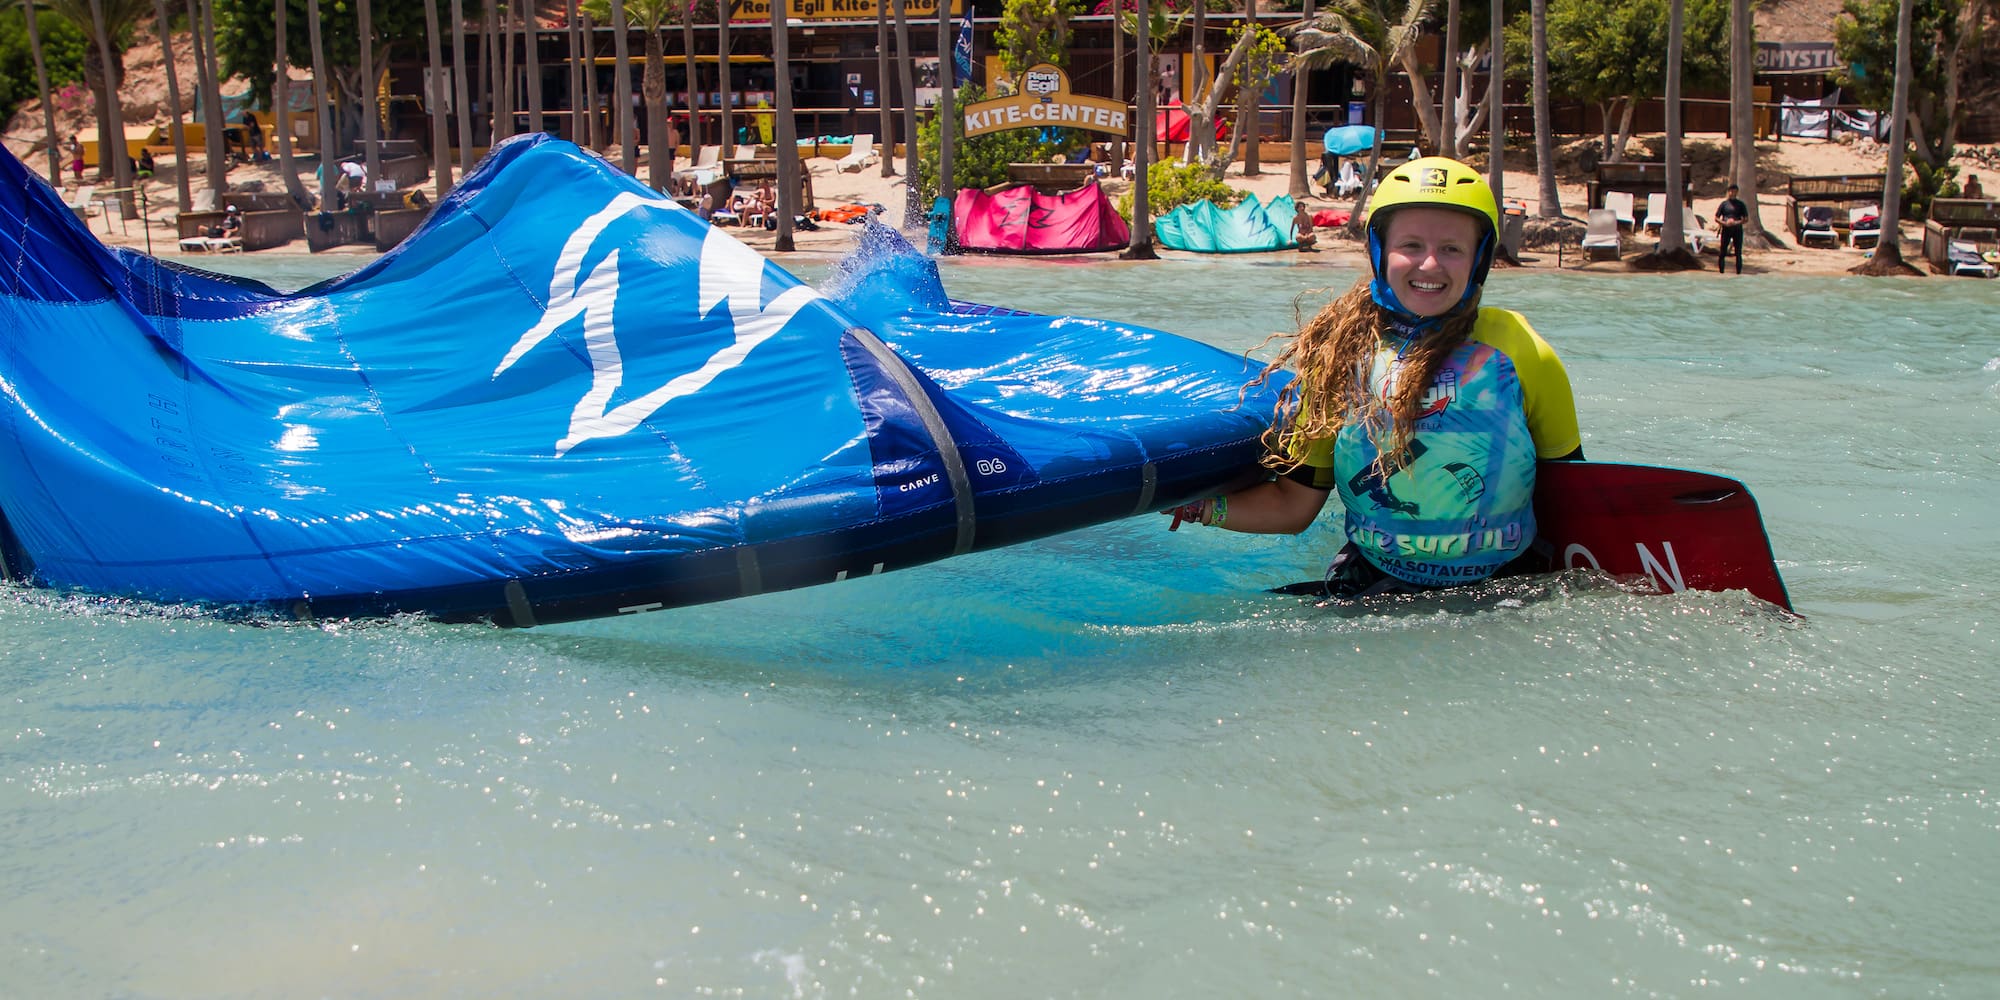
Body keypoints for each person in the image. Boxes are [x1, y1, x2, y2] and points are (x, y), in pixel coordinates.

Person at [1164, 157, 1584, 602]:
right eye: (1412, 245)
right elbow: (1293, 506)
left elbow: (1578, 498)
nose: (1429, 264)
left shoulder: (1522, 351)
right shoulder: (1341, 354)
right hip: (1376, 588)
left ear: (1479, 260)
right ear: (1380, 251)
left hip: (1507, 588)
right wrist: (1201, 507)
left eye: (1452, 249)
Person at [1714, 183, 1748, 275]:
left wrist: (1736, 222)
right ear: (1728, 192)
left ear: (1737, 192)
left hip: (1737, 229)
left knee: (1738, 252)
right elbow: (1716, 217)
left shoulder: (1741, 204)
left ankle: (1738, 273)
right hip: (1726, 229)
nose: (1732, 193)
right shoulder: (1724, 204)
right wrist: (1724, 223)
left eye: (1735, 191)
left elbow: (1746, 219)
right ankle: (1721, 272)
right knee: (1722, 251)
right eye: (1731, 191)